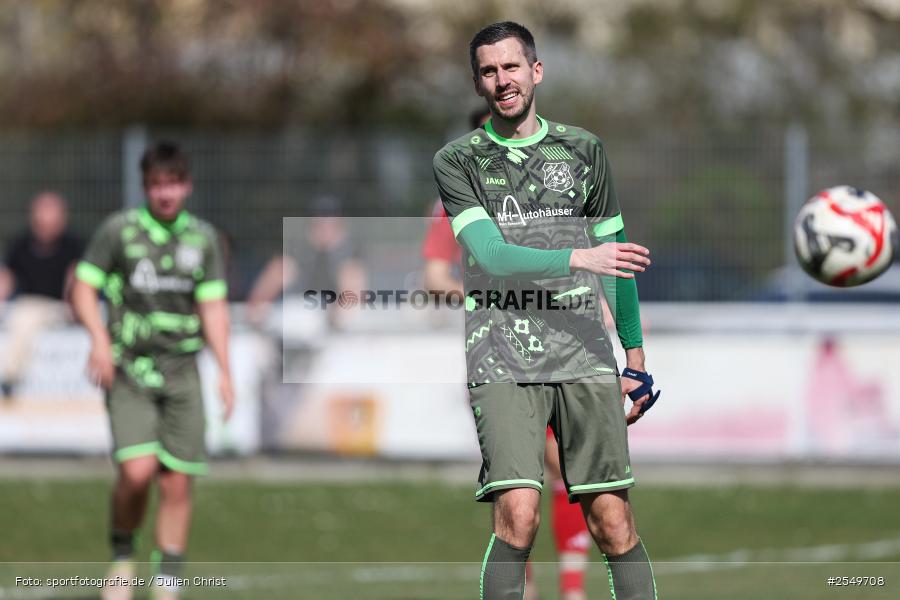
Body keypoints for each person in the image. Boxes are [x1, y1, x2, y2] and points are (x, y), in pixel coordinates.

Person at [432, 22, 660, 600]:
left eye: (511, 67)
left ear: (535, 71)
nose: (501, 80)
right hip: (502, 351)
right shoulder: (458, 161)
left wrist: (634, 358)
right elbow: (491, 255)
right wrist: (580, 253)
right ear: (478, 83)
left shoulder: (585, 150)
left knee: (613, 522)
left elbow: (619, 263)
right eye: (488, 71)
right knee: (519, 513)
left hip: (584, 350)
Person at [423, 107, 593, 600]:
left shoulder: (551, 193)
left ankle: (574, 588)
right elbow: (434, 277)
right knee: (520, 480)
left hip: (561, 346)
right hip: (498, 351)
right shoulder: (455, 202)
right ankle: (533, 590)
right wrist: (485, 293)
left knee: (567, 467)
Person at [71, 142, 234, 600]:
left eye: (174, 183)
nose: (166, 193)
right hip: (130, 371)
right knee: (138, 472)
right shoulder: (119, 231)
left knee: (178, 479)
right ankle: (123, 554)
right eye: (158, 185)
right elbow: (83, 288)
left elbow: (214, 307)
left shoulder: (203, 239)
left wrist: (224, 370)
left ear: (188, 185)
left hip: (183, 373)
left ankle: (168, 577)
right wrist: (99, 340)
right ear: (146, 186)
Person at [0, 191, 83, 400]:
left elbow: (75, 281)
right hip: (26, 304)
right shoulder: (20, 243)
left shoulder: (72, 246)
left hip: (57, 308)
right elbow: (6, 279)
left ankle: (9, 377)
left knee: (25, 317)